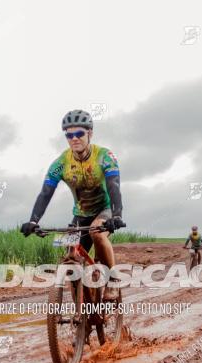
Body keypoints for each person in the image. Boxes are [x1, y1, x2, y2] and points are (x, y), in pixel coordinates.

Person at [20, 110, 125, 300]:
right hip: (80, 213)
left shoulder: (104, 156)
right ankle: (81, 308)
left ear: (90, 133)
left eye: (79, 134)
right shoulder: (61, 163)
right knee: (70, 251)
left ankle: (113, 280)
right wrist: (33, 221)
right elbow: (45, 193)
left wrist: (117, 215)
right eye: (69, 135)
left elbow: (114, 186)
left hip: (104, 210)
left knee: (96, 233)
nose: (74, 138)